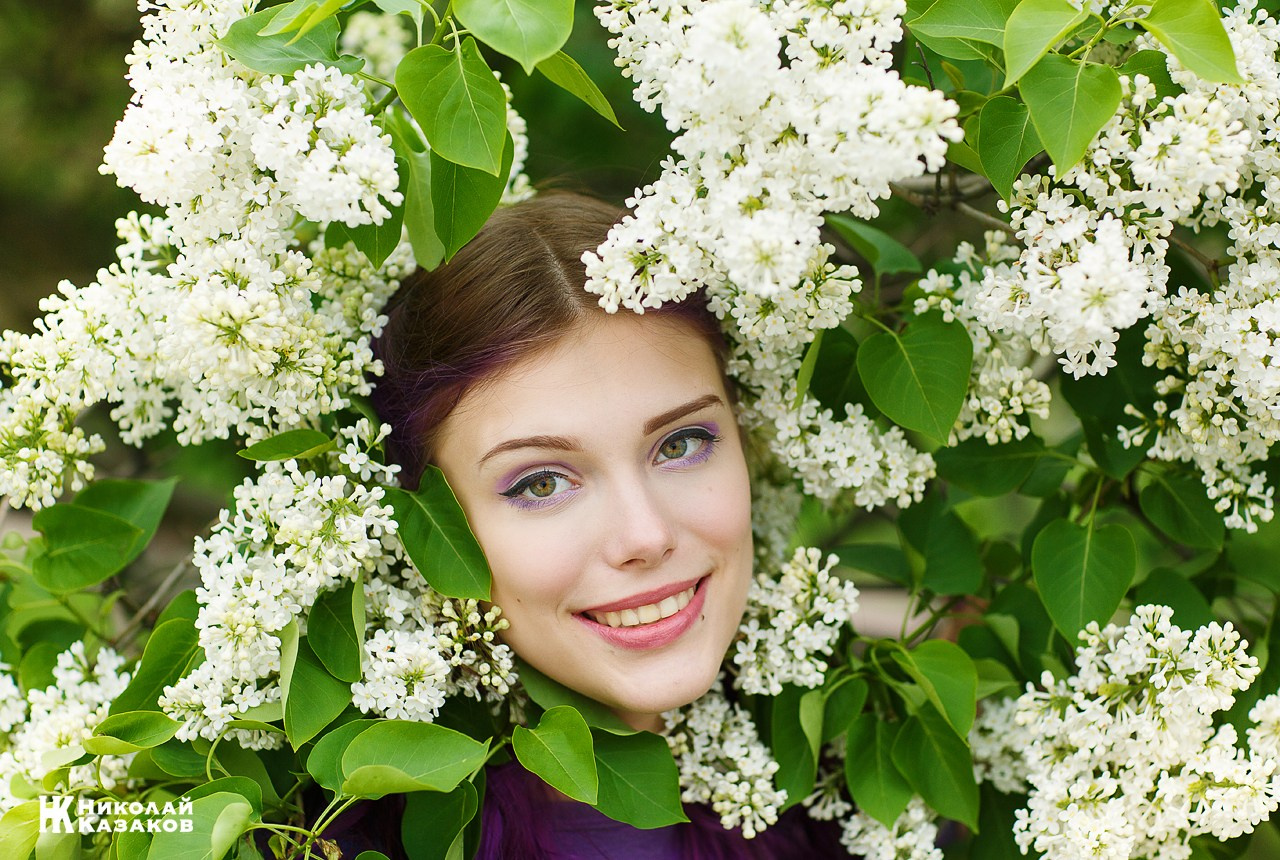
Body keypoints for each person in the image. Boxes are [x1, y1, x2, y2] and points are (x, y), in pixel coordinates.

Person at [370, 191, 848, 858]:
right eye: (540, 483)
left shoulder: (860, 796)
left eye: (681, 444)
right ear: (425, 527)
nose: (645, 536)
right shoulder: (330, 840)